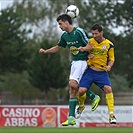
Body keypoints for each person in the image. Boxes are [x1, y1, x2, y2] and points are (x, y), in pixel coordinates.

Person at [39, 14, 100, 126]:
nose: (60, 26)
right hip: (74, 63)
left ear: (66, 22)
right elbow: (58, 47)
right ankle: (71, 118)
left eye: (60, 24)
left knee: (72, 84)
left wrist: (85, 50)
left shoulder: (79, 32)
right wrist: (46, 51)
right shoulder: (65, 36)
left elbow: (90, 45)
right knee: (72, 90)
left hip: (82, 62)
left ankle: (93, 96)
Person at [78, 23, 116, 124]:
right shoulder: (90, 41)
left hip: (101, 73)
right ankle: (81, 106)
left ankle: (111, 115)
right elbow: (86, 50)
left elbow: (112, 58)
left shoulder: (109, 44)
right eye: (93, 34)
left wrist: (109, 66)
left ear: (101, 32)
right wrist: (85, 52)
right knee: (81, 90)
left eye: (96, 33)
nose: (94, 36)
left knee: (108, 89)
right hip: (90, 71)